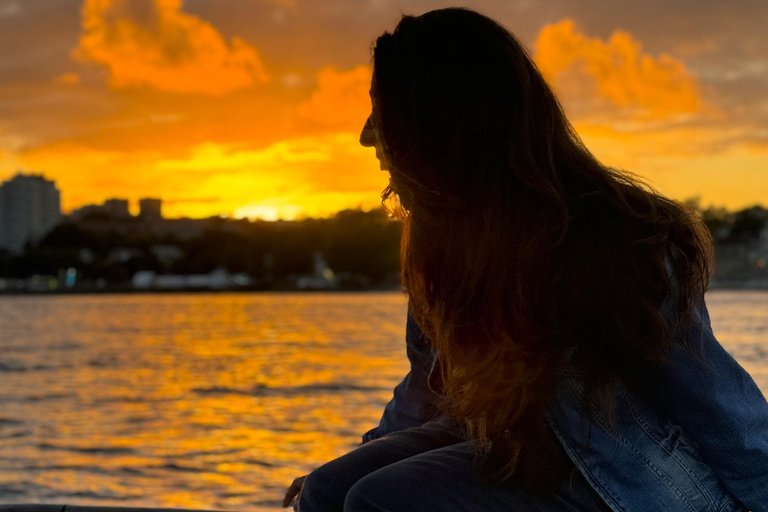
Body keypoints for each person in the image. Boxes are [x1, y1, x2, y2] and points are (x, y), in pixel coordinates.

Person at [283, 7, 768, 512]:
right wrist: (363, 455)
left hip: (617, 473)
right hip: (511, 445)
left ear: (441, 121)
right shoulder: (443, 240)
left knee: (376, 501)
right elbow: (428, 390)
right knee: (327, 493)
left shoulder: (615, 242)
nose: (367, 135)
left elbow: (715, 402)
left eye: (382, 110)